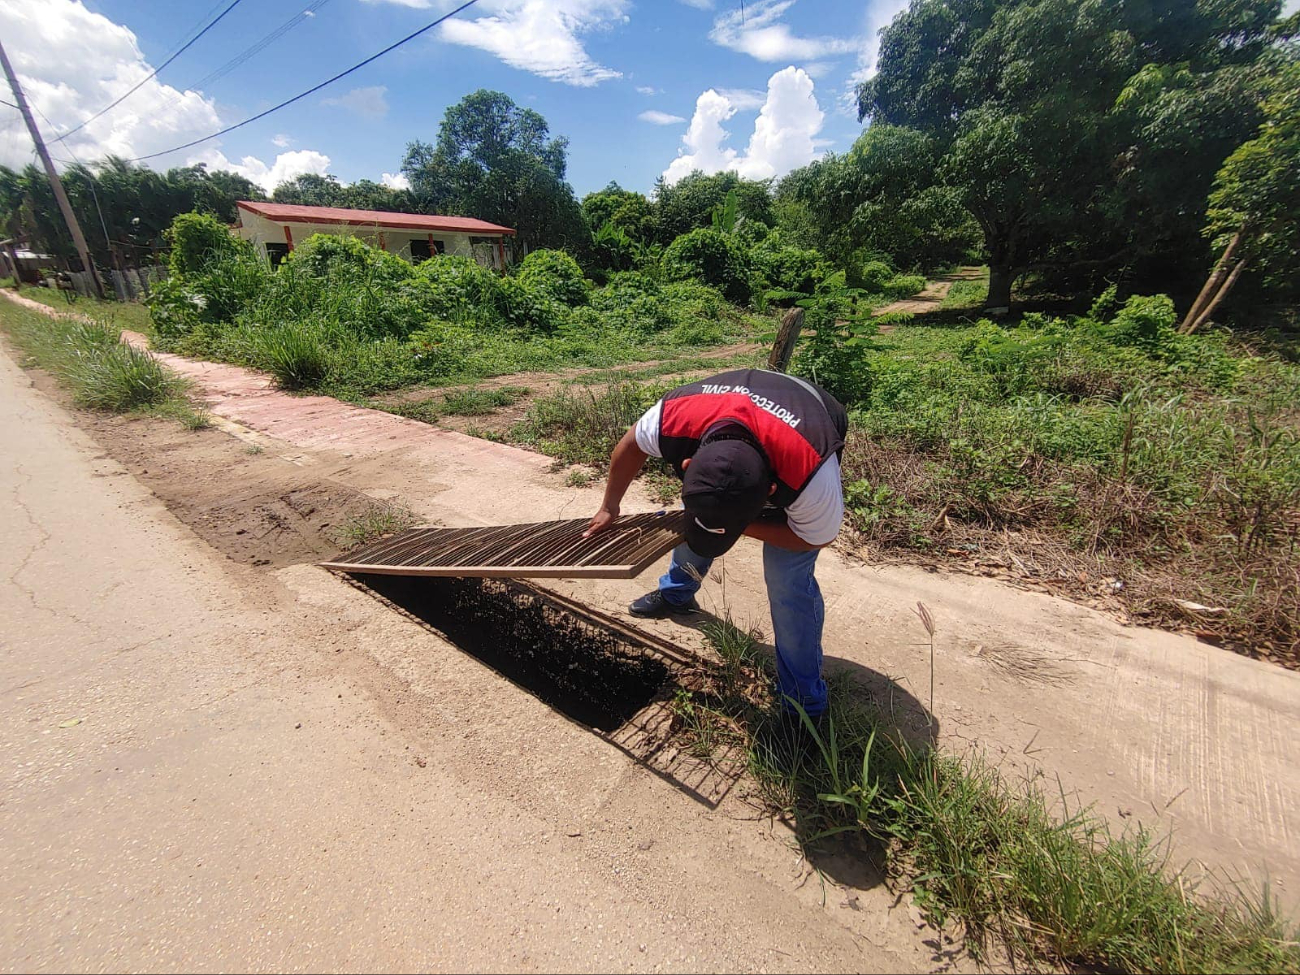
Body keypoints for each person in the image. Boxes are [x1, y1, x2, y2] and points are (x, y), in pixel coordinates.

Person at [585, 368, 847, 720]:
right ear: (688, 464)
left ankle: (804, 704)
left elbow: (816, 536)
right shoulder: (673, 418)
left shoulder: (810, 469)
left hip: (805, 417)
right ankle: (676, 594)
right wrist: (608, 506)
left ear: (771, 492)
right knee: (701, 517)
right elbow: (631, 445)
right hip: (726, 412)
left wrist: (738, 527)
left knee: (788, 582)